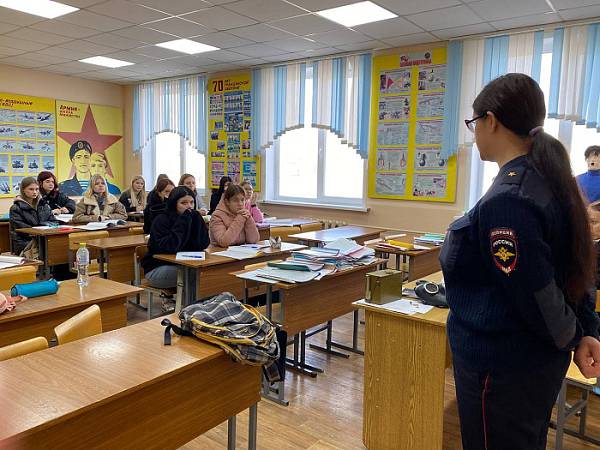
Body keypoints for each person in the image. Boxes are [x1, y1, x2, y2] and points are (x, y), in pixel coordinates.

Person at [441, 73, 600, 450]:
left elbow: (536, 293)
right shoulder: (546, 179)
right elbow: (575, 267)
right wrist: (586, 329)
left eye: (474, 123)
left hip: (502, 369)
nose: (474, 134)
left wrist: (576, 336)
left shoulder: (510, 199)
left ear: (491, 121)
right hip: (527, 365)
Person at [142, 186, 209, 289]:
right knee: (195, 274)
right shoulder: (161, 220)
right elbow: (172, 246)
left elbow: (203, 244)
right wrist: (183, 221)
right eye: (184, 203)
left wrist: (197, 220)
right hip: (157, 268)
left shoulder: (193, 217)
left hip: (185, 264)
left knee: (208, 272)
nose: (189, 206)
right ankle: (192, 301)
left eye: (192, 202)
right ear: (174, 204)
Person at [9, 177, 56, 256]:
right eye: (31, 189)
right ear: (23, 190)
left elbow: (54, 222)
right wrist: (42, 226)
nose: (35, 192)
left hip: (44, 239)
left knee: (59, 245)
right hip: (26, 243)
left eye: (37, 189)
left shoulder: (44, 205)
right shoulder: (16, 208)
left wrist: (43, 226)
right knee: (48, 249)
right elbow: (23, 230)